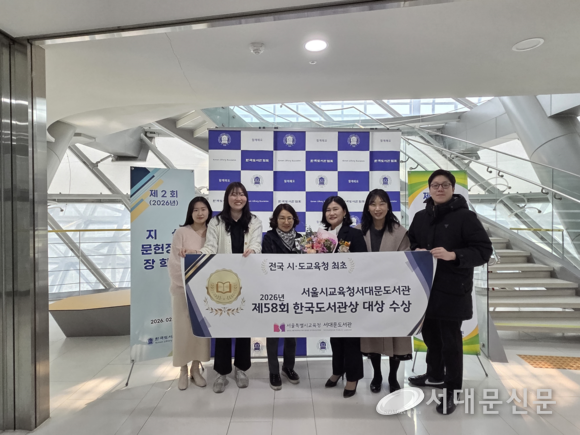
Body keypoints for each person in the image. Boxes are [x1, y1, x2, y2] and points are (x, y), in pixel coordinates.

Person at [407, 169, 492, 415]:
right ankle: (434, 375)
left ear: (453, 188)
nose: (440, 189)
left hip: (453, 289)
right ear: (429, 189)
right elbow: (412, 241)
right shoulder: (421, 216)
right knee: (430, 336)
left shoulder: (466, 217)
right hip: (426, 288)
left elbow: (483, 250)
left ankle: (452, 390)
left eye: (445, 185)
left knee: (451, 343)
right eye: (435, 185)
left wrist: (454, 255)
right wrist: (417, 250)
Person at [200, 182, 263, 393]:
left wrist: (253, 251)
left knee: (244, 326)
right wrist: (196, 254)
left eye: (242, 194)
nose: (238, 198)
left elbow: (256, 244)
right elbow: (210, 247)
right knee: (223, 326)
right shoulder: (216, 221)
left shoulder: (254, 221)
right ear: (227, 198)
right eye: (234, 195)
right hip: (223, 281)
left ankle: (241, 369)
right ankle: (221, 372)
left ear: (246, 198)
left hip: (246, 280)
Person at [356, 189, 413, 394]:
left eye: (382, 203)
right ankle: (377, 375)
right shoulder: (358, 231)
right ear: (367, 207)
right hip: (368, 294)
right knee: (372, 335)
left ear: (388, 206)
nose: (377, 208)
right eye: (373, 204)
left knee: (395, 335)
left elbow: (406, 261)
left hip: (393, 293)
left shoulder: (400, 232)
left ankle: (393, 377)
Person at [321, 196, 367, 398]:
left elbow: (363, 263)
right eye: (328, 210)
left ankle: (352, 378)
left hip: (349, 294)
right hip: (329, 293)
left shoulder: (354, 234)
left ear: (345, 212)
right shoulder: (321, 236)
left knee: (350, 338)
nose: (331, 213)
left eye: (335, 209)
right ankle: (337, 370)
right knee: (335, 336)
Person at [168, 197, 212, 390]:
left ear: (209, 211)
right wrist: (188, 284)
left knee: (200, 332)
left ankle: (195, 368)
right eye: (195, 210)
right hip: (182, 290)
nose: (200, 213)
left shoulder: (213, 233)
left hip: (206, 292)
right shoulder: (181, 232)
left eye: (203, 209)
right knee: (182, 330)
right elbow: (174, 263)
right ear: (190, 213)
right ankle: (182, 370)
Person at [261, 204, 302, 391]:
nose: (286, 222)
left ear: (294, 219)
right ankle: (273, 371)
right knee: (274, 333)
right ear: (275, 220)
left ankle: (288, 367)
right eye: (282, 218)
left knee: (291, 333)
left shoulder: (302, 239)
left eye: (289, 218)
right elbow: (268, 265)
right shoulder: (269, 238)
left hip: (296, 293)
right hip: (275, 293)